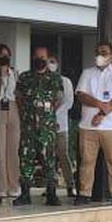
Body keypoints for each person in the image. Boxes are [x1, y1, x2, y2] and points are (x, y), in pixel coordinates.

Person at [75, 41, 112, 206]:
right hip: (88, 126)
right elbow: (81, 95)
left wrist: (103, 113)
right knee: (87, 161)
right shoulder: (87, 73)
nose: (100, 55)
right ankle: (84, 193)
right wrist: (99, 104)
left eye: (104, 52)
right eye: (98, 52)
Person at [14, 46, 62, 206]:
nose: (39, 60)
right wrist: (26, 114)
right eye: (37, 57)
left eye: (42, 57)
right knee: (25, 159)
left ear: (47, 59)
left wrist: (46, 116)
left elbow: (58, 100)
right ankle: (25, 193)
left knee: (49, 160)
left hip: (47, 129)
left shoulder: (55, 79)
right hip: (28, 128)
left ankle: (51, 194)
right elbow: (19, 98)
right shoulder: (25, 77)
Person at [0, 43, 21, 201]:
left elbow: (19, 94)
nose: (5, 58)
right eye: (2, 55)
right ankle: (2, 186)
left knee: (13, 149)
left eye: (7, 55)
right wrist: (0, 75)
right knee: (0, 150)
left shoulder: (15, 73)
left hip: (13, 108)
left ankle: (14, 185)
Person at [48, 53, 77, 198]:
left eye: (52, 61)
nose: (50, 64)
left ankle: (70, 185)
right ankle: (50, 186)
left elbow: (69, 103)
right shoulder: (42, 81)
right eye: (48, 61)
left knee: (63, 154)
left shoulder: (65, 81)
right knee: (48, 157)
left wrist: (54, 114)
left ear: (57, 63)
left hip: (61, 124)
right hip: (45, 126)